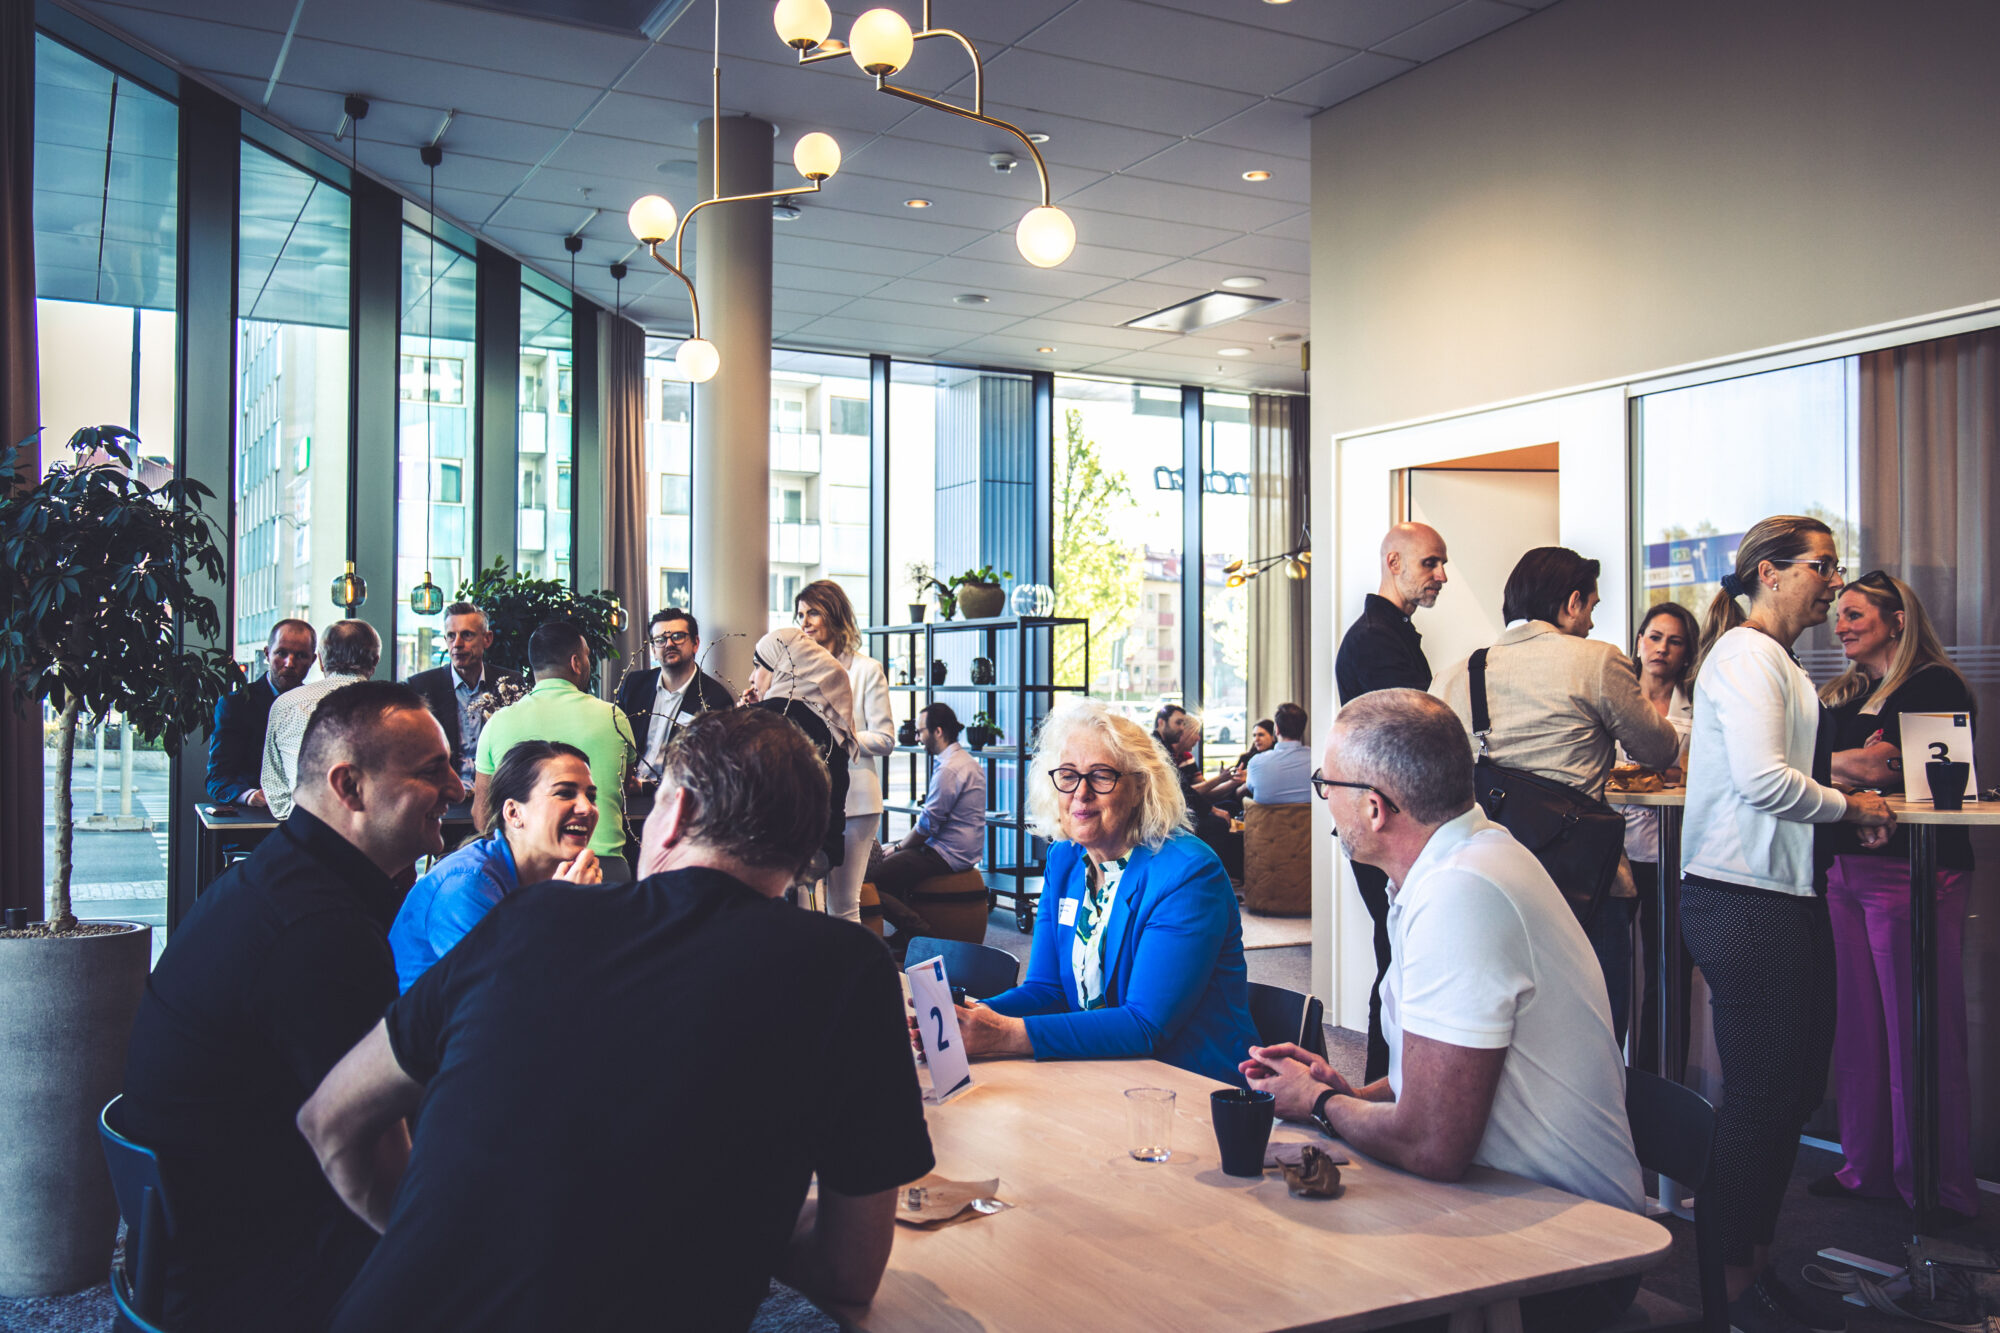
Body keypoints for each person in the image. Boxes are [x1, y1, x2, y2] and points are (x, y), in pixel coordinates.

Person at [299, 709, 935, 1332]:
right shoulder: (847, 970)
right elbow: (849, 1271)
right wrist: (732, 1233)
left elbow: (330, 1121)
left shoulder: (527, 918)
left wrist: (438, 1245)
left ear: (677, 813)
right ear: (805, 847)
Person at [1244, 688, 1642, 1333]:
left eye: (1326, 785)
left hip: (1569, 1249)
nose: (1325, 802)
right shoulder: (1459, 862)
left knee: (1289, 1278)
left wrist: (1319, 1103)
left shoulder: (1461, 891)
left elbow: (1434, 1145)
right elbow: (1442, 1080)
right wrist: (1355, 1095)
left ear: (1373, 807)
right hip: (1512, 1202)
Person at [120, 682, 462, 1332]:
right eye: (431, 770)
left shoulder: (280, 875)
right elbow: (373, 1153)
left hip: (217, 1227)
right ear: (350, 786)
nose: (458, 787)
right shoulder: (317, 927)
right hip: (250, 1276)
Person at [1681, 515, 1895, 1333]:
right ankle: (1731, 1286)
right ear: (1769, 572)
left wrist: (1839, 811)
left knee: (1791, 1089)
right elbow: (1764, 781)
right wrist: (1850, 805)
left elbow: (1782, 778)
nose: (1835, 583)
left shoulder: (1775, 659)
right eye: (1822, 567)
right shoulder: (1746, 655)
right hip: (1743, 898)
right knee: (1763, 1095)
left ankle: (1753, 1268)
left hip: (1777, 893)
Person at [1431, 547, 1680, 1043]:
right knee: (1592, 1038)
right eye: (1591, 607)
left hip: (1486, 878)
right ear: (1571, 603)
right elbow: (1658, 749)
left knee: (1503, 1032)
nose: (1591, 623)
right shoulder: (1596, 660)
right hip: (1583, 883)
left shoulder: (1456, 675)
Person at [952, 697, 1257, 1087]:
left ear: (1139, 787)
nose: (1081, 792)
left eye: (1101, 776)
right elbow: (1047, 990)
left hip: (1192, 1086)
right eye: (1068, 775)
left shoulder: (1188, 873)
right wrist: (972, 1016)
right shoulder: (1065, 858)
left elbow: (1145, 1025)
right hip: (1099, 1071)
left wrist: (1004, 1034)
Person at [1812, 571, 1980, 1223]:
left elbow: (1902, 770)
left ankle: (1936, 1185)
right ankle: (1868, 1168)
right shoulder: (1846, 693)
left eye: (1855, 614)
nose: (1841, 625)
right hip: (1844, 868)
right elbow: (1818, 764)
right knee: (1859, 1028)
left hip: (1914, 872)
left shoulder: (1936, 685)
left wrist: (1836, 764)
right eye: (1839, 614)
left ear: (1897, 620)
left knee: (1920, 1029)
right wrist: (1850, 765)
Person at [1334, 521, 1448, 1082]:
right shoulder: (1377, 638)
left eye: (1442, 564)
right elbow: (1406, 740)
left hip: (1384, 817)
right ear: (1394, 563)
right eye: (1430, 563)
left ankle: (1386, 1088)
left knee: (1397, 955)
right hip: (1383, 822)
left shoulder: (1389, 631)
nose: (1441, 575)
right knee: (1397, 959)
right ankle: (1383, 1090)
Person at [388, 739, 602, 992]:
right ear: (513, 813)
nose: (587, 808)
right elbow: (504, 997)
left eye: (591, 796)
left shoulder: (556, 880)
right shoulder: (466, 885)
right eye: (564, 793)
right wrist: (562, 909)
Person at [474, 621, 637, 882]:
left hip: (525, 870)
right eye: (587, 656)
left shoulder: (498, 722)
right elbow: (623, 789)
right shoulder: (613, 717)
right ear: (576, 663)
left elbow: (482, 813)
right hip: (603, 865)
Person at [1623, 601, 1699, 1076]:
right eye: (1654, 637)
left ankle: (1661, 1081)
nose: (1662, 648)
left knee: (1669, 972)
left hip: (1673, 854)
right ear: (1639, 642)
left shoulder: (1699, 704)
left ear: (1686, 652)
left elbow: (1697, 773)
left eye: (1674, 641)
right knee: (1608, 969)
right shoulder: (1617, 695)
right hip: (1616, 850)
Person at [795, 579, 895, 923]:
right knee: (806, 901)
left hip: (857, 801)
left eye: (812, 613)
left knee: (843, 904)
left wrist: (839, 736)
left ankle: (848, 960)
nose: (805, 622)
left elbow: (885, 738)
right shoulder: (797, 673)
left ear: (834, 614)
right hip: (810, 799)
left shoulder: (867, 670)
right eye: (800, 615)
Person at [867, 702, 986, 943]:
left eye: (921, 731)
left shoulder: (949, 770)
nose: (918, 738)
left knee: (871, 878)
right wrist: (898, 846)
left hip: (946, 853)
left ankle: (920, 933)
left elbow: (927, 825)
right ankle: (906, 934)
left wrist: (898, 848)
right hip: (959, 849)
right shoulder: (967, 761)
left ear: (938, 732)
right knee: (891, 855)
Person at [740, 625, 854, 874]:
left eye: (758, 666)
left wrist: (744, 717)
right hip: (823, 850)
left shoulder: (763, 718)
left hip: (774, 852)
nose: (751, 677)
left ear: (780, 669)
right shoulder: (829, 720)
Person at [261, 619, 381, 820]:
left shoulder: (286, 704)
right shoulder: (396, 709)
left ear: (321, 661)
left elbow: (275, 791)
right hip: (375, 832)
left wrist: (296, 818)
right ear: (375, 661)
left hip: (306, 828)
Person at [407, 602, 527, 790]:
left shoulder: (510, 683)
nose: (457, 644)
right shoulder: (421, 687)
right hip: (444, 795)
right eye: (451, 636)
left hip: (495, 795)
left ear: (487, 639)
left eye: (467, 635)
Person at [615, 607, 733, 785]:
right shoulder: (635, 685)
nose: (669, 644)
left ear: (695, 643)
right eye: (660, 640)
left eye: (678, 636)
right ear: (653, 649)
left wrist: (644, 788)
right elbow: (617, 740)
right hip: (626, 790)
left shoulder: (715, 699)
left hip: (675, 794)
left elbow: (710, 771)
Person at [205, 617, 316, 806]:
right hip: (255, 815)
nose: (289, 663)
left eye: (300, 656)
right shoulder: (236, 704)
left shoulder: (320, 707)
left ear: (313, 660)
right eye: (281, 653)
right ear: (267, 654)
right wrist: (249, 795)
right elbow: (218, 778)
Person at [1243, 701, 1312, 804]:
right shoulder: (1317, 760)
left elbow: (1251, 790)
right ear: (1302, 729)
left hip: (1266, 815)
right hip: (1308, 815)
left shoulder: (1256, 762)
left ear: (1277, 730)